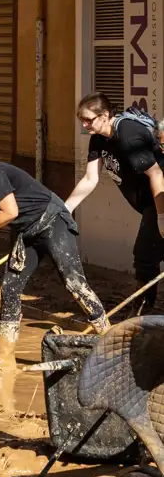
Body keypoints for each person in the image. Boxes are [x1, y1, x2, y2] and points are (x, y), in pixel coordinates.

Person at [0, 139, 109, 404]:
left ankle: (109, 338)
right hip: (26, 232)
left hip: (51, 221)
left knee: (73, 283)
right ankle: (5, 356)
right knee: (10, 288)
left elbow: (10, 211)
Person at [68, 92, 164, 315]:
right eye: (81, 120)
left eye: (88, 120)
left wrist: (161, 217)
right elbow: (90, 178)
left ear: (105, 115)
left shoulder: (128, 133)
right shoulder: (99, 139)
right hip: (150, 204)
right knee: (148, 254)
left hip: (160, 200)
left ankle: (141, 316)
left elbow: (157, 174)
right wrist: (66, 208)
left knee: (145, 254)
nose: (84, 124)